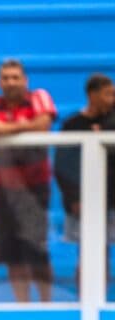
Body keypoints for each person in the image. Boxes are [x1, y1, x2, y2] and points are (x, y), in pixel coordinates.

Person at [0, 59, 57, 302]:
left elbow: (43, 124)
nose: (10, 82)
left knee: (37, 249)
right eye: (5, 78)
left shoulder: (39, 97)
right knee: (11, 252)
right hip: (2, 187)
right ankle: (23, 304)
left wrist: (3, 129)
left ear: (25, 80)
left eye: (15, 77)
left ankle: (46, 303)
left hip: (34, 186)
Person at [54, 73, 115, 284]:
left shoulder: (112, 121)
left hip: (112, 198)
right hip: (85, 200)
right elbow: (63, 165)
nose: (112, 99)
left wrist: (104, 129)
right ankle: (87, 301)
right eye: (108, 94)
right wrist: (73, 199)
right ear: (92, 95)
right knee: (90, 252)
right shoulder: (73, 124)